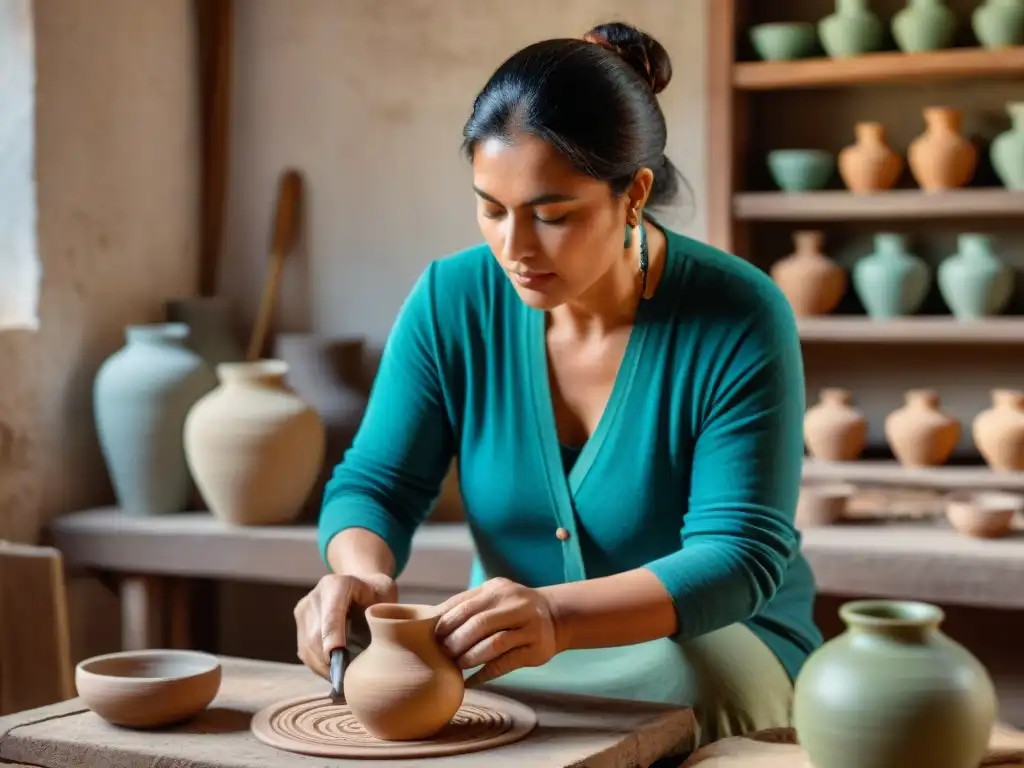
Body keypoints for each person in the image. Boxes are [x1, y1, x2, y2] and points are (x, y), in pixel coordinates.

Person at [294, 20, 822, 748]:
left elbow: (738, 557)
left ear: (634, 195)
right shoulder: (453, 299)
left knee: (680, 694)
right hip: (514, 652)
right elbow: (377, 484)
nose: (514, 248)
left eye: (553, 215)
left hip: (713, 642)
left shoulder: (739, 315)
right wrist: (357, 572)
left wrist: (557, 617)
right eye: (491, 208)